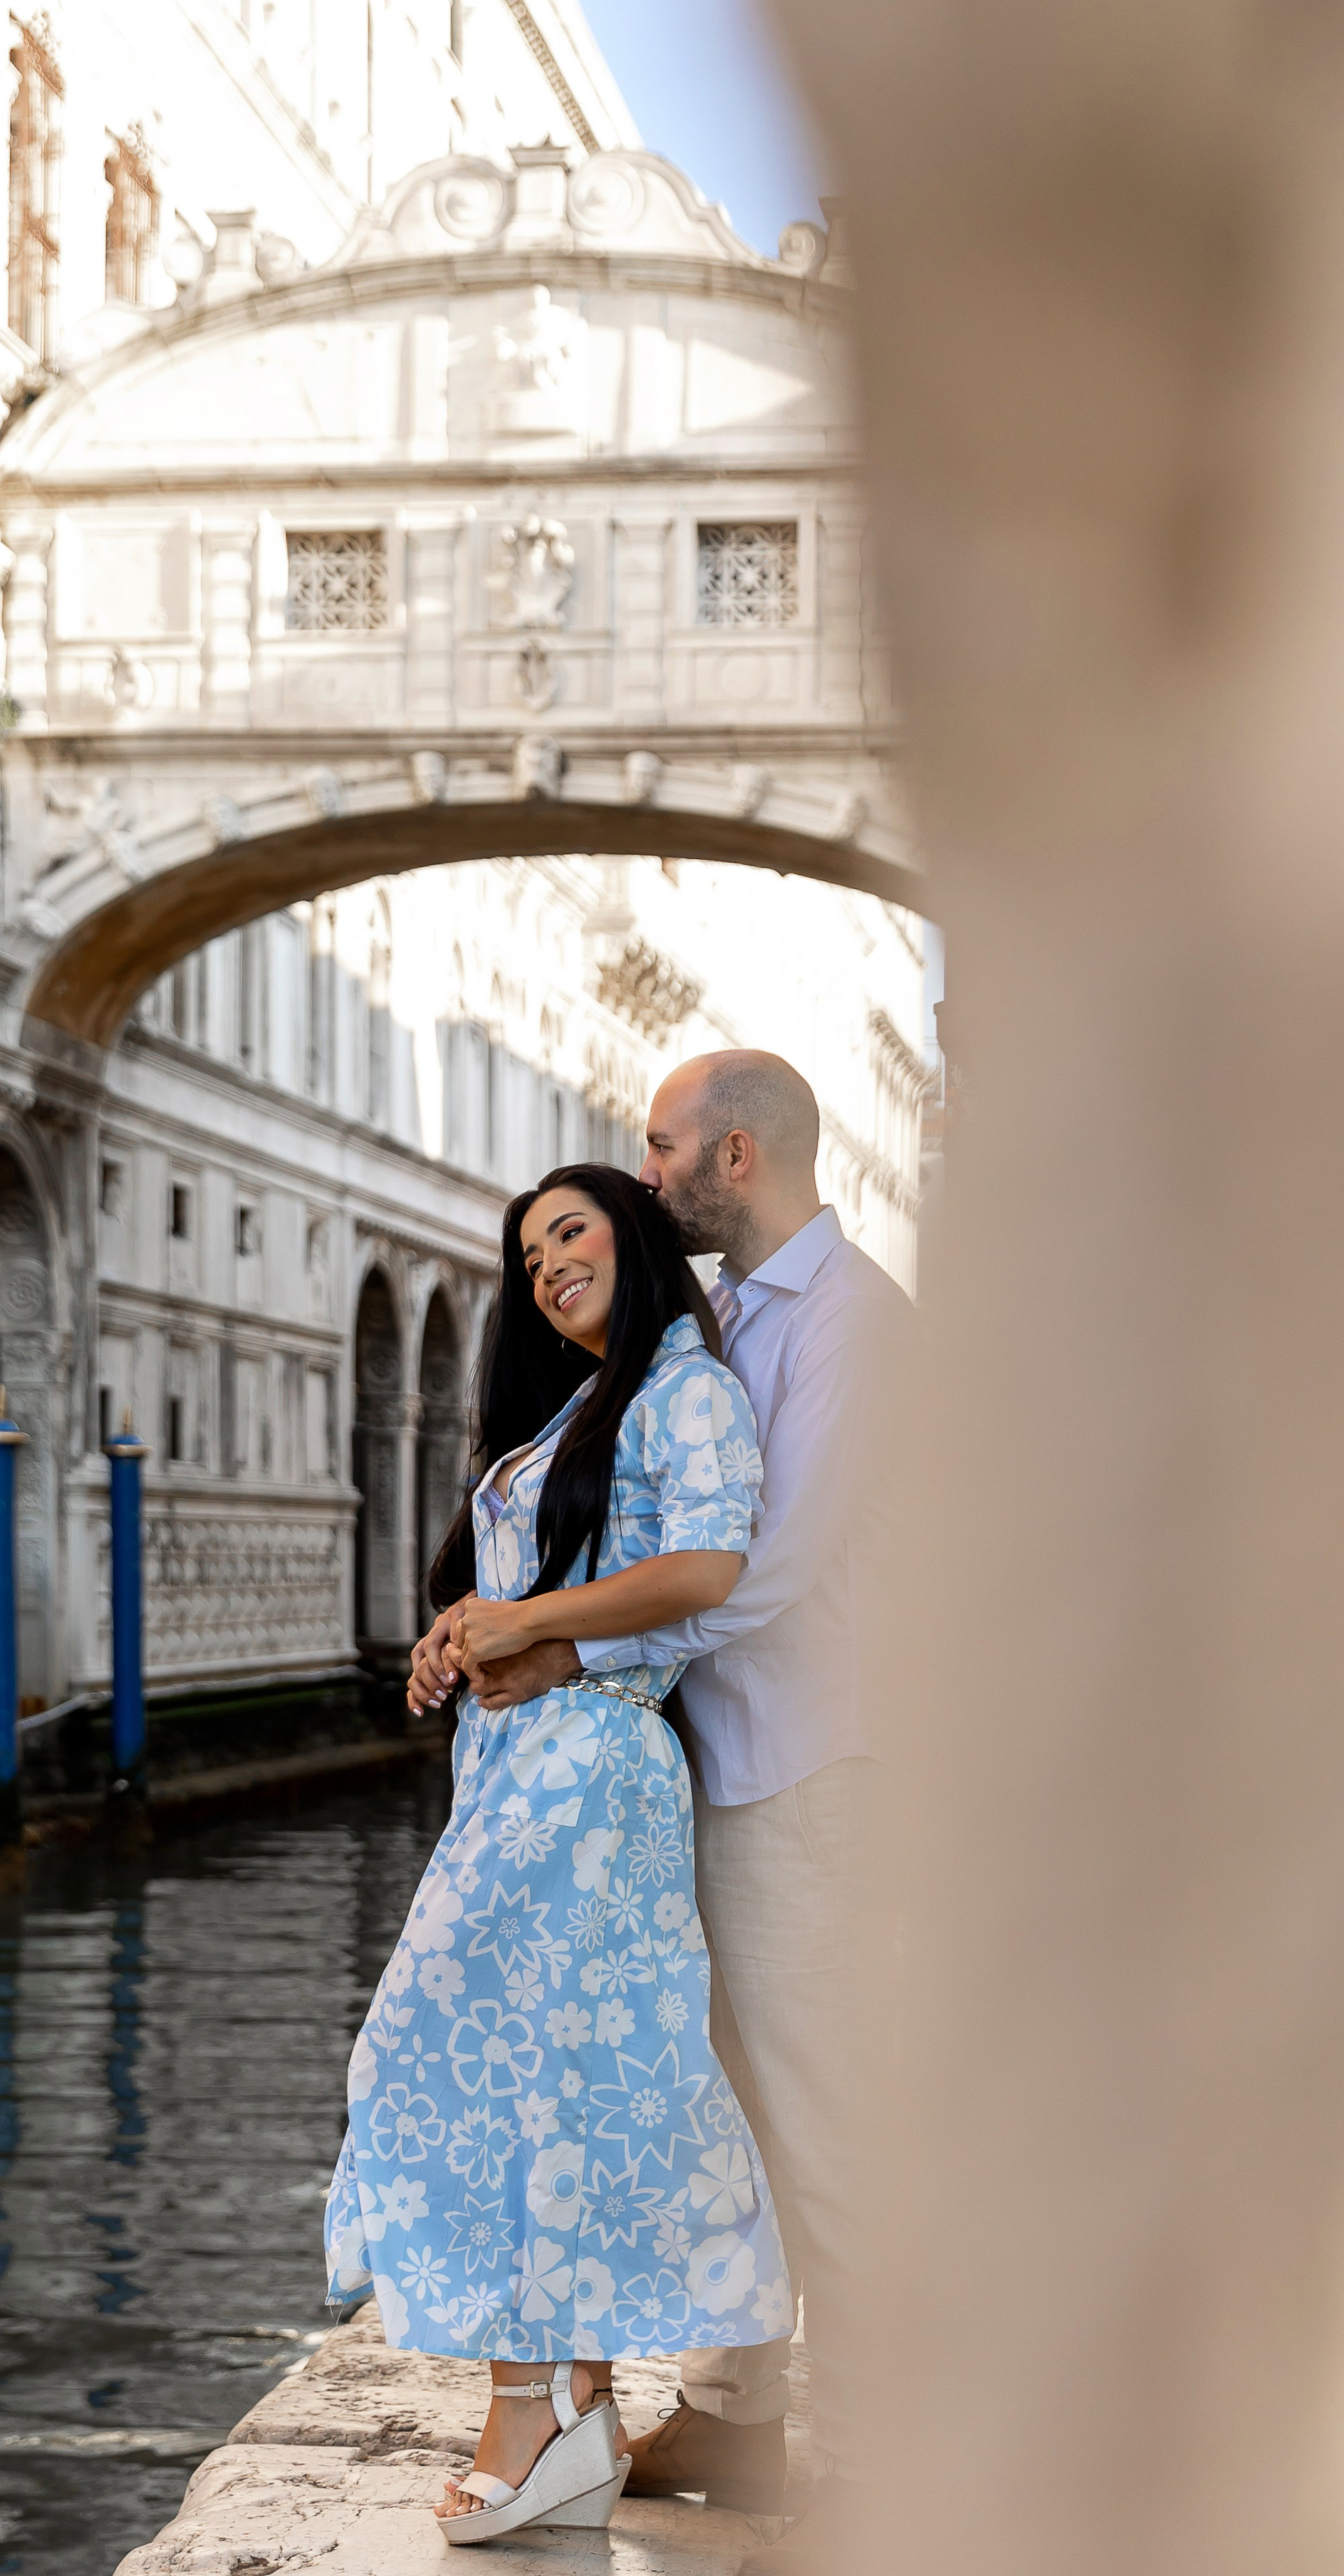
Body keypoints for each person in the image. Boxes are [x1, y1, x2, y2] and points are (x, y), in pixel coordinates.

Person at [414, 1053, 912, 2576]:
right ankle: (732, 2418)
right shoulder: (717, 1325)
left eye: (658, 1149)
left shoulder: (849, 1324)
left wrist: (555, 1639)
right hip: (702, 1766)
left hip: (803, 1767)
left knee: (823, 2120)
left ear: (733, 1157)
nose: (640, 1179)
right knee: (720, 2113)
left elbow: (755, 1565)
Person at [325, 1161, 793, 2546]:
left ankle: (527, 2411)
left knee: (475, 2058)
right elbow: (528, 1594)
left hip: (592, 1765)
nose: (544, 1267)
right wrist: (465, 1632)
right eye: (528, 1256)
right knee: (534, 2075)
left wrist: (530, 1629)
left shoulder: (680, 1387)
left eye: (569, 1233)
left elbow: (711, 1567)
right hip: (520, 1770)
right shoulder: (578, 1412)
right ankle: (571, 2400)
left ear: (634, 1241)